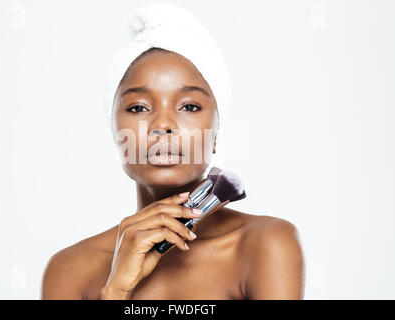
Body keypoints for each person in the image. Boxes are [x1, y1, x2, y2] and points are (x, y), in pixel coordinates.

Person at [41, 3, 305, 300]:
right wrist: (116, 290)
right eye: (138, 107)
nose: (163, 124)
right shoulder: (70, 269)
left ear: (215, 133)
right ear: (115, 130)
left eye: (189, 106)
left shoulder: (264, 244)